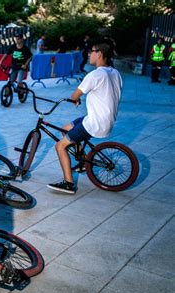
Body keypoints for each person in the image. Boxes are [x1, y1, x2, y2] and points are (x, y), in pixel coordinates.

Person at [48, 42, 122, 194]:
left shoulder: (95, 75)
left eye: (92, 52)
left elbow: (74, 95)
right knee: (65, 128)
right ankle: (82, 161)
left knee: (60, 146)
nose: (89, 54)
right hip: (104, 119)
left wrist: (76, 99)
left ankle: (68, 184)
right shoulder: (115, 73)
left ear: (99, 54)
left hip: (95, 123)